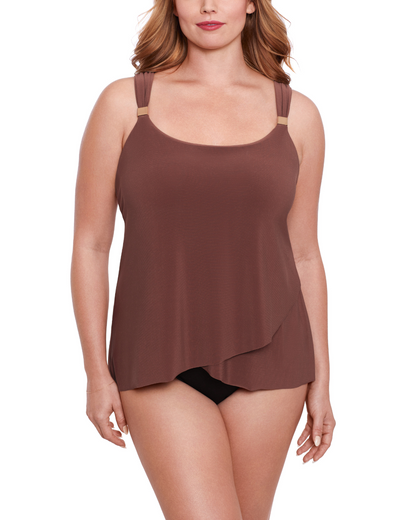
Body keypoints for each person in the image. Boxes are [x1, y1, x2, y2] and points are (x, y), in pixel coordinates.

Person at [71, 0, 336, 518]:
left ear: (252, 4)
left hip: (276, 357)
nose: (208, 5)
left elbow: (305, 253)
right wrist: (96, 372)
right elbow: (91, 245)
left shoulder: (297, 114)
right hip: (155, 356)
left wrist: (322, 377)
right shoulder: (124, 104)